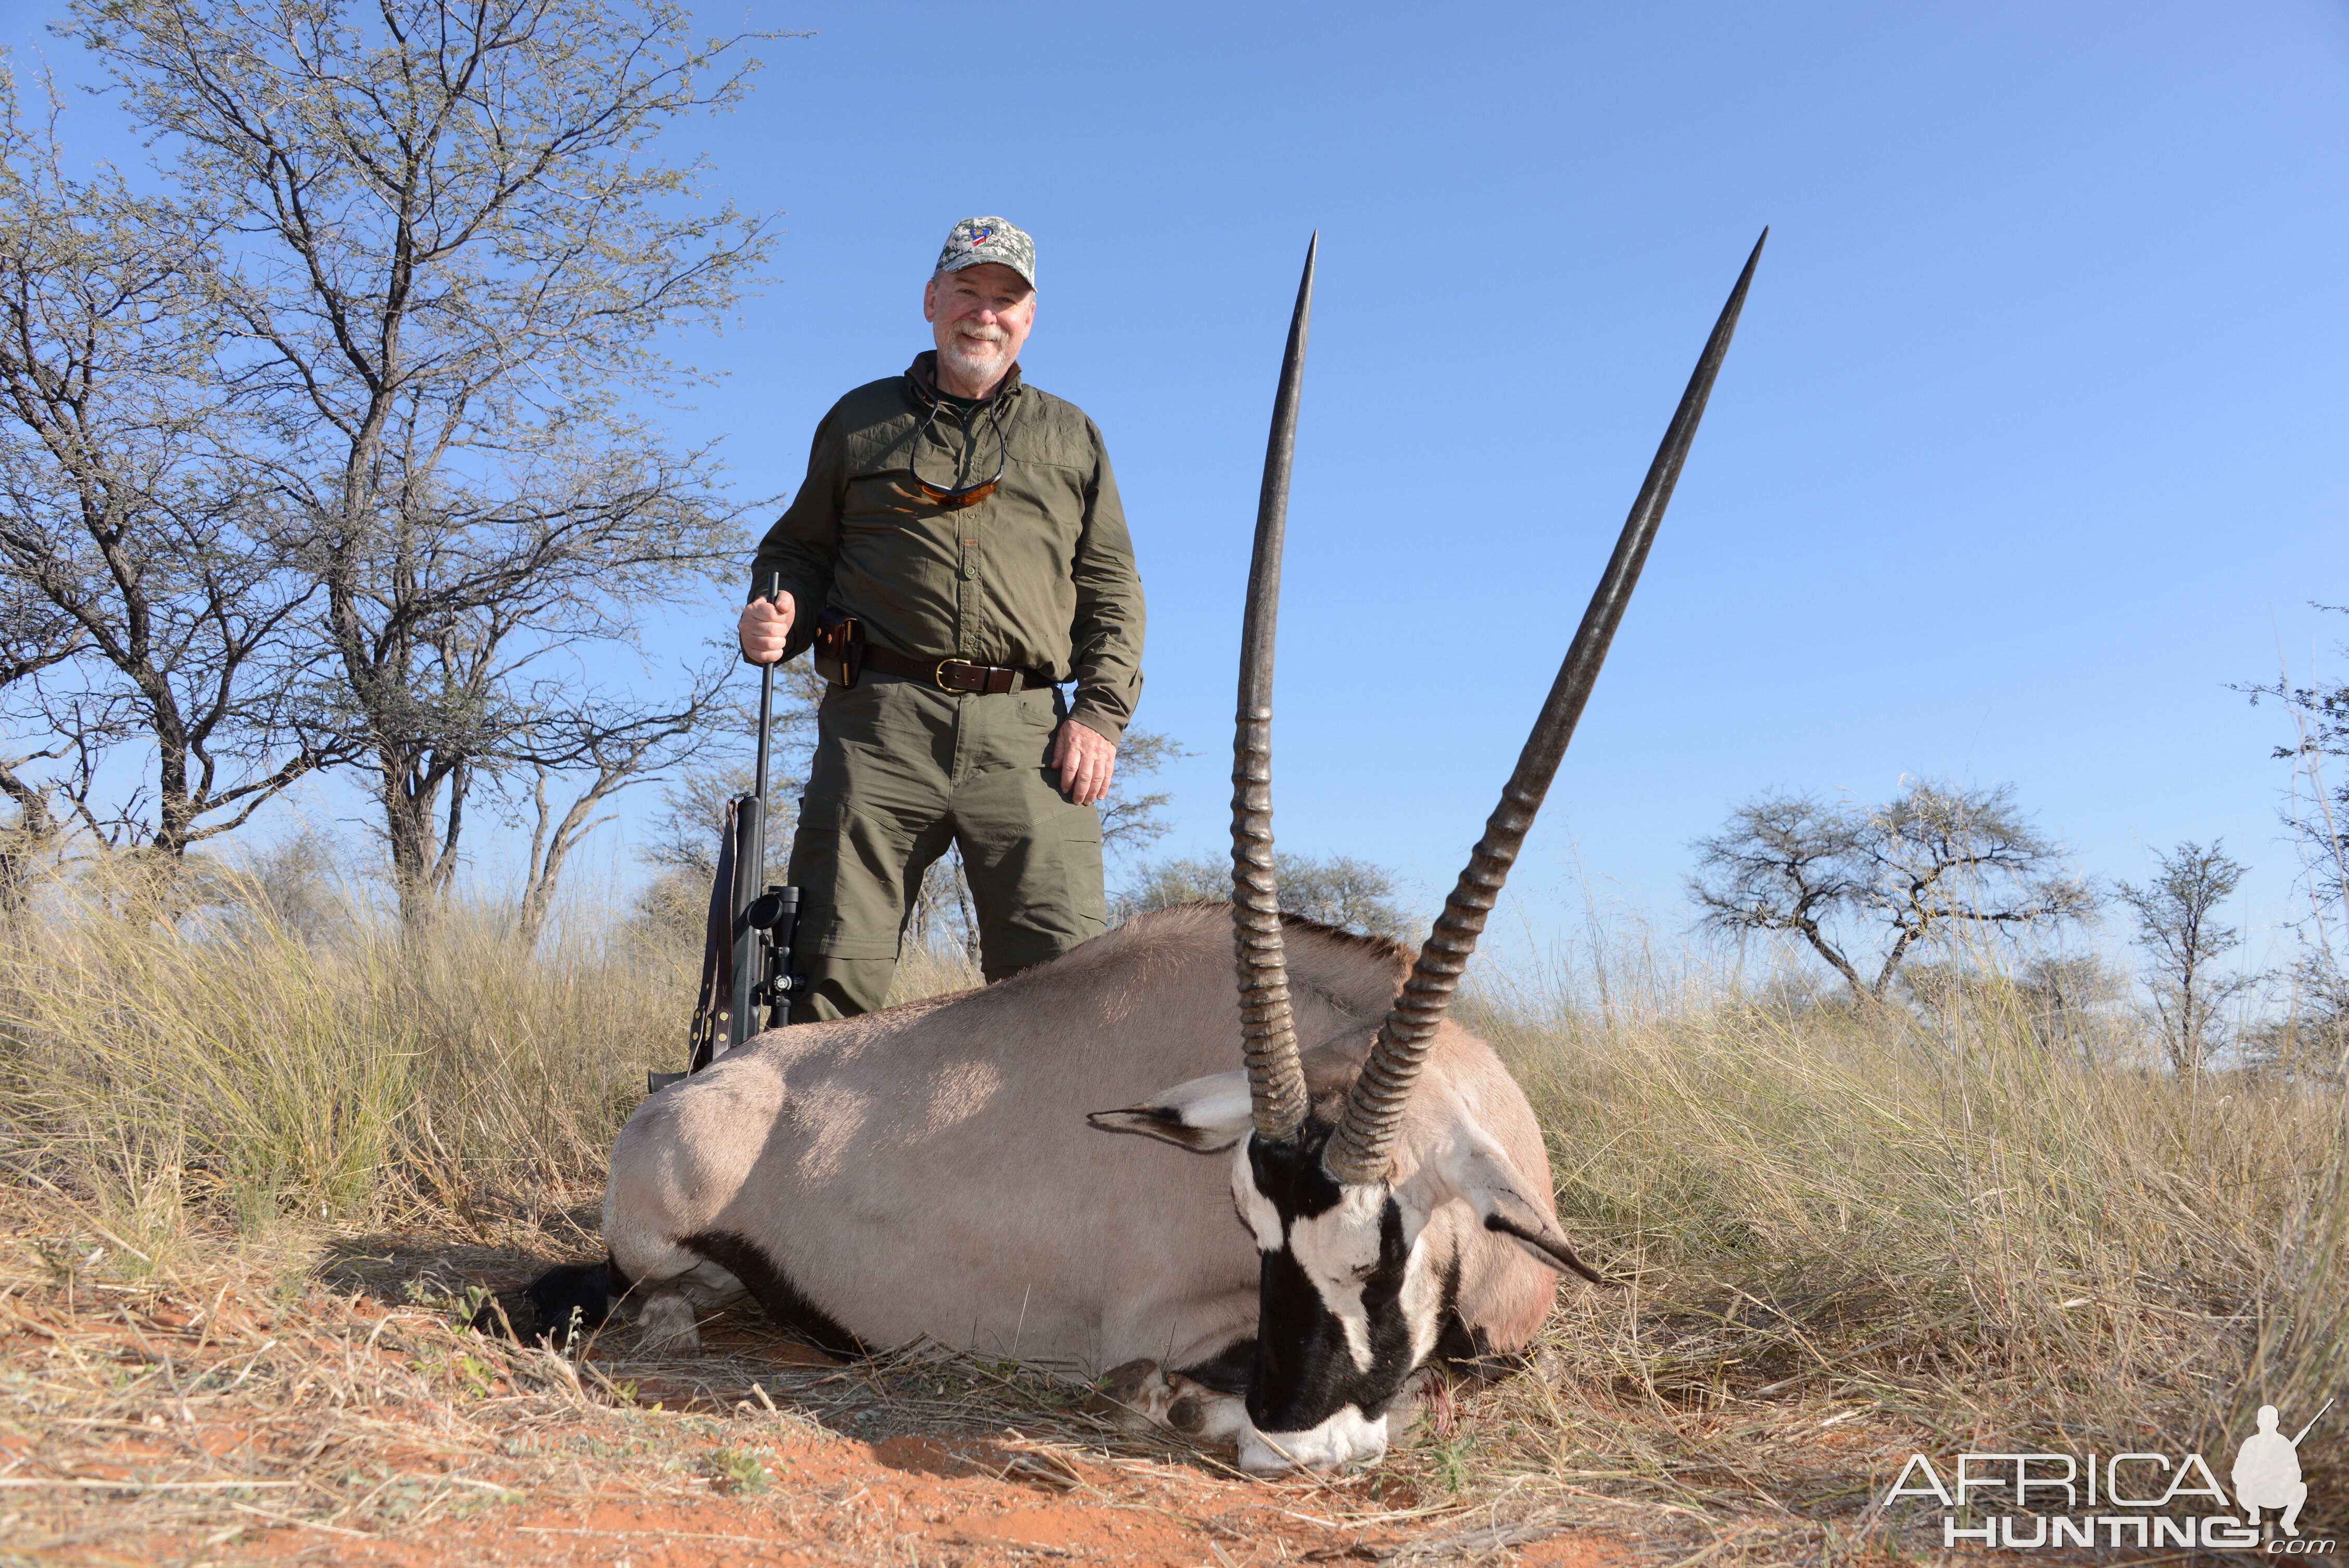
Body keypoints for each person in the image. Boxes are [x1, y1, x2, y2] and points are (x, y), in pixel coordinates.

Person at [736, 217, 1145, 1021]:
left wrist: (1099, 715)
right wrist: (775, 610)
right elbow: (798, 554)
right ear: (931, 300)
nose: (984, 314)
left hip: (1030, 737)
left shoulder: (1073, 436)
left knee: (1065, 995)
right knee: (825, 982)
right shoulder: (858, 421)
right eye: (968, 292)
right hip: (878, 728)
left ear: (1030, 318)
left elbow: (1112, 588)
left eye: (1006, 300)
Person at [2232, 1404, 2310, 1535]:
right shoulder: (2251, 1443)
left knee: (2302, 1489)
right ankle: (2254, 1513)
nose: (2268, 1423)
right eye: (2264, 1419)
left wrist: (2280, 1472)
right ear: (2258, 1422)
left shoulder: (2285, 1444)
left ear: (2277, 1423)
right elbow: (2237, 1473)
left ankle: (2288, 1522)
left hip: (2278, 1493)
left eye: (2272, 1420)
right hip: (2255, 1493)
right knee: (2241, 1488)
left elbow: (2297, 1474)